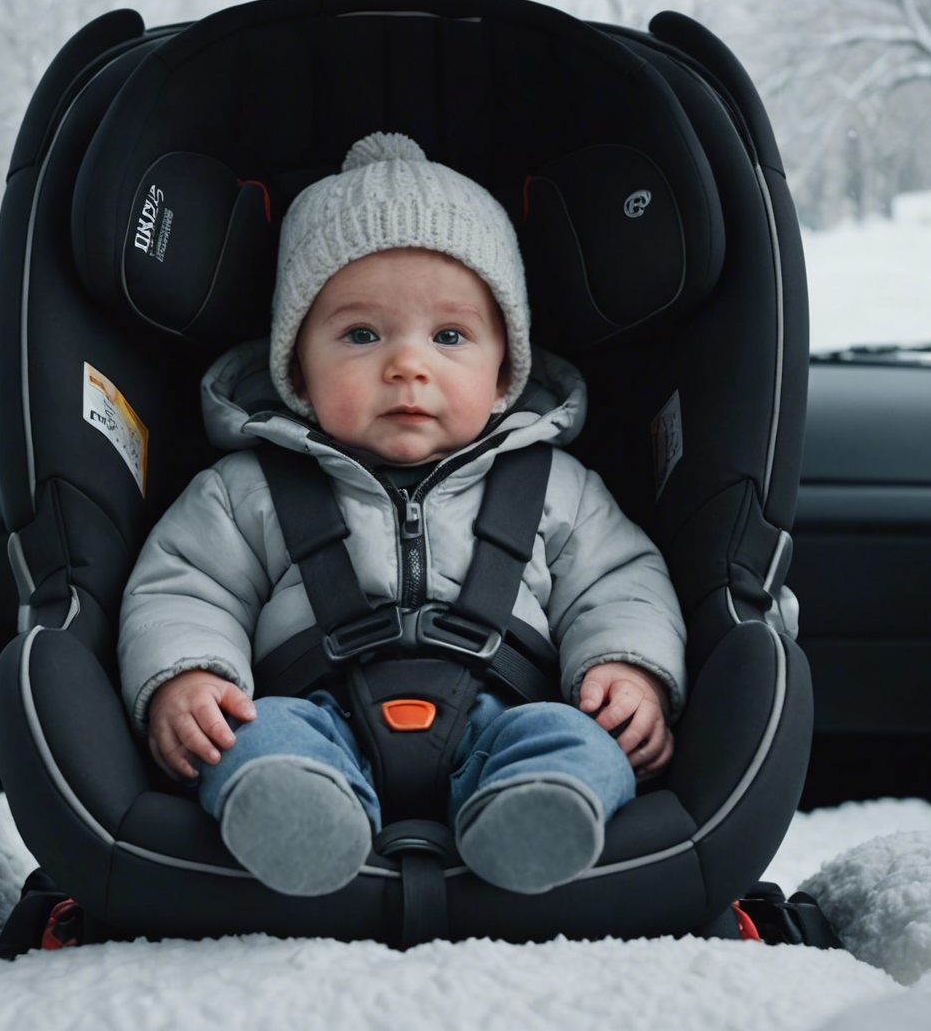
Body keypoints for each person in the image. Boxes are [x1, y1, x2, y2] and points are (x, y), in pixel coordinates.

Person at [118, 132, 687, 897]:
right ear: (296, 371)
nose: (408, 365)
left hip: (506, 714)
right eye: (361, 335)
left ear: (502, 378)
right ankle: (296, 818)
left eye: (450, 336)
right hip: (314, 714)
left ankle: (536, 819)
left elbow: (619, 583)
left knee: (578, 740)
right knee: (253, 740)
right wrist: (186, 677)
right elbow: (184, 587)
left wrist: (625, 668)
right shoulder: (243, 488)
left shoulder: (558, 487)